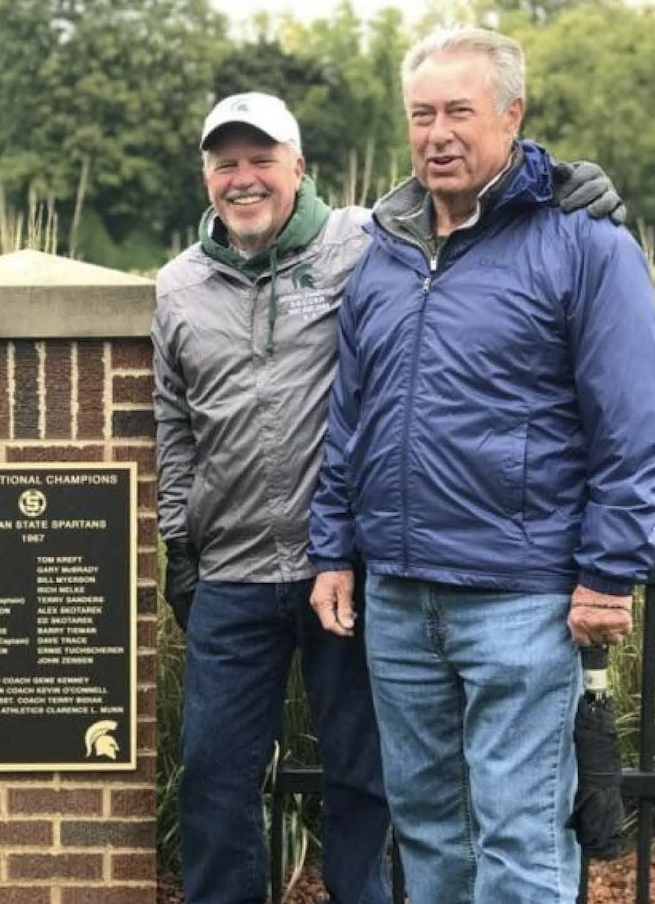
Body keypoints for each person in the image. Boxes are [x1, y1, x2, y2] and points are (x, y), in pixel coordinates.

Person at [153, 90, 623, 904]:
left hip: (349, 573)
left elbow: (470, 204)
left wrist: (568, 183)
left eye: (262, 159)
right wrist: (177, 542)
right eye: (225, 163)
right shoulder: (177, 285)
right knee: (214, 780)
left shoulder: (364, 240)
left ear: (300, 166)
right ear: (206, 175)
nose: (244, 179)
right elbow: (173, 427)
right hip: (229, 573)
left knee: (366, 782)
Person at [308, 27, 655, 904]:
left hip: (523, 598)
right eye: (422, 114)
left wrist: (610, 574)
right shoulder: (383, 252)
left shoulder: (584, 242)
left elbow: (631, 422)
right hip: (396, 596)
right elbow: (352, 415)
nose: (438, 134)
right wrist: (332, 549)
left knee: (520, 833)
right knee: (428, 829)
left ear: (513, 115)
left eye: (460, 111)